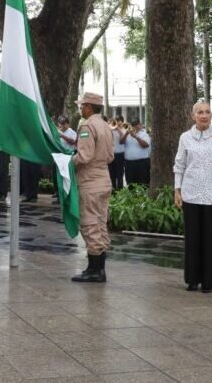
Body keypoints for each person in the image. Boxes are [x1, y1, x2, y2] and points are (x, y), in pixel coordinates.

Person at [174, 102, 212, 293]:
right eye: (200, 112)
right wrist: (177, 189)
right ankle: (192, 279)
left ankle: (209, 281)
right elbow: (179, 164)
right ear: (193, 116)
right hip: (190, 193)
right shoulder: (185, 137)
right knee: (192, 239)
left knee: (211, 239)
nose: (204, 115)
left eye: (207, 112)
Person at [71, 93, 115, 283]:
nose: (81, 109)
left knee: (90, 224)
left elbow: (84, 156)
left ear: (89, 107)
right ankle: (98, 268)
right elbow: (111, 156)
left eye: (82, 106)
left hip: (90, 181)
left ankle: (95, 270)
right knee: (100, 223)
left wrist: (66, 162)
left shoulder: (88, 126)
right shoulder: (105, 125)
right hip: (104, 179)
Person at [121, 118, 151, 187]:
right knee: (130, 184)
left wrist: (136, 136)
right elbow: (121, 142)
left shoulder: (144, 133)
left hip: (142, 163)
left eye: (136, 125)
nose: (134, 126)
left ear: (140, 125)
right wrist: (126, 134)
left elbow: (145, 145)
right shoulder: (128, 134)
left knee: (143, 183)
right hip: (129, 164)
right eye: (133, 125)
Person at [109, 118, 126, 191]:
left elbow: (123, 140)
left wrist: (118, 129)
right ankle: (113, 190)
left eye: (116, 123)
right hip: (111, 154)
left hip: (120, 154)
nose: (115, 124)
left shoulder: (122, 130)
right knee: (112, 173)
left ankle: (120, 189)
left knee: (120, 174)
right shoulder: (110, 131)